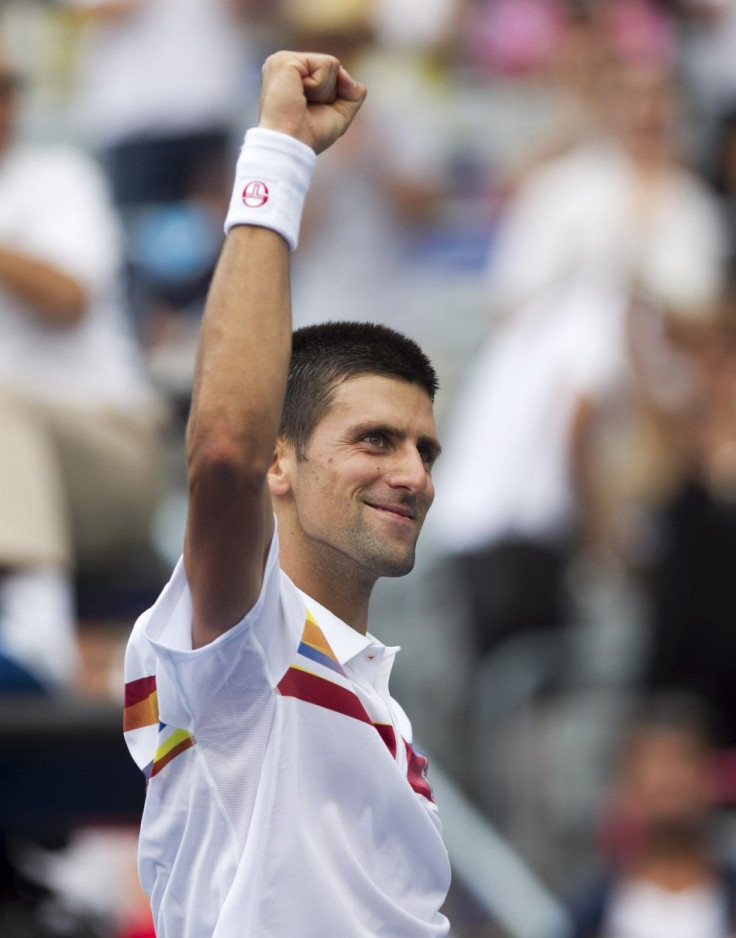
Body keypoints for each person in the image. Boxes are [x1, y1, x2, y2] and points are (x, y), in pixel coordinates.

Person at [123, 52, 451, 936]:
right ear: (282, 463)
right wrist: (278, 154)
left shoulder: (383, 707)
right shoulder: (244, 646)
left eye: (425, 449)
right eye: (375, 441)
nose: (414, 474)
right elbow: (222, 444)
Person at [0, 53, 163, 693]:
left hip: (105, 460)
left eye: (11, 86)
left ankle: (38, 634)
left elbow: (67, 300)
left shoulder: (55, 177)